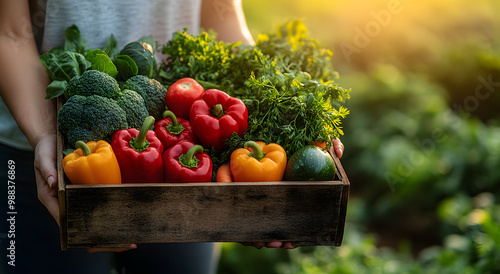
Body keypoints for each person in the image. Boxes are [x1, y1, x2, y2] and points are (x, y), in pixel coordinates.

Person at [0, 0, 344, 273]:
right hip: (45, 149)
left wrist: (283, 105)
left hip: (187, 145)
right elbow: (10, 32)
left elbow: (221, 14)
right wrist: (45, 133)